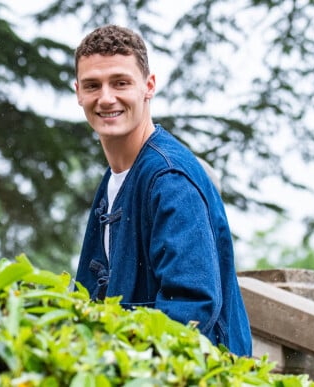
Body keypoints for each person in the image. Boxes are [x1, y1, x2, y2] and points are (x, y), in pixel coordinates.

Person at [73, 24, 252, 356]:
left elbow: (191, 307)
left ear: (149, 86)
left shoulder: (169, 179)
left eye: (121, 82)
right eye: (93, 85)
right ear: (78, 93)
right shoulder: (114, 179)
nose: (106, 97)